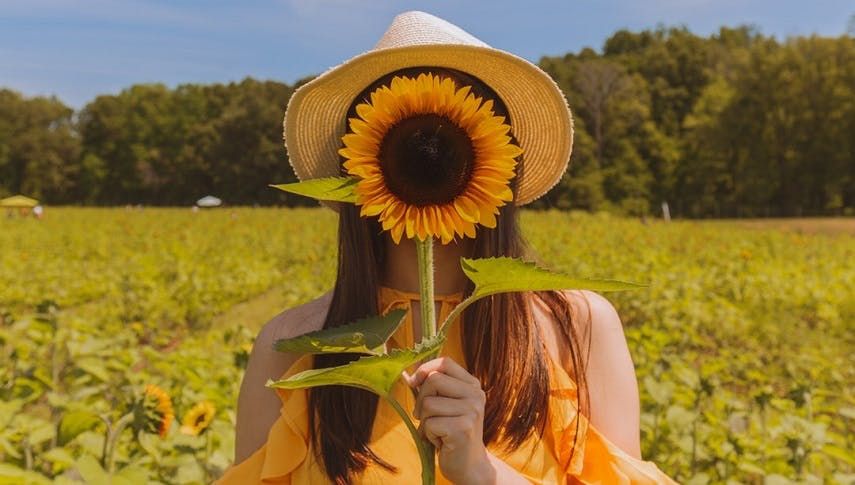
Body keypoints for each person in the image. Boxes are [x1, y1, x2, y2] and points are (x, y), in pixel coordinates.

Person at [217, 10, 678, 485]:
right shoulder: (291, 349)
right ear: (358, 169)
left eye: (446, 133)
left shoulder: (576, 329)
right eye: (411, 134)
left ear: (500, 161)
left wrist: (480, 469)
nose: (428, 151)